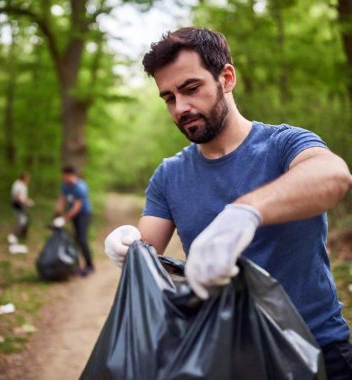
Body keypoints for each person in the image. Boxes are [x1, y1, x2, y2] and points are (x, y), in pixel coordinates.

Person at [104, 27, 352, 378]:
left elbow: (334, 176)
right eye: (169, 98)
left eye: (191, 89)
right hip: (225, 356)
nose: (181, 107)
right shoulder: (169, 175)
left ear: (227, 77)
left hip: (317, 348)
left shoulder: (284, 144)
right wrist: (127, 245)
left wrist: (245, 212)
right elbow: (148, 251)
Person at [53, 166, 95, 276]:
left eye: (64, 176)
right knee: (75, 240)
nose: (63, 178)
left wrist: (64, 218)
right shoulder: (65, 185)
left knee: (82, 239)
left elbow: (77, 207)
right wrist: (57, 213)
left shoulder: (80, 187)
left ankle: (90, 265)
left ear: (69, 175)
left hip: (84, 215)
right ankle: (75, 265)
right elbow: (62, 199)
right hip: (74, 215)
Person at [7, 172, 34, 253]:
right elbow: (18, 196)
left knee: (25, 220)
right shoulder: (18, 184)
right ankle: (14, 237)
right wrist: (27, 202)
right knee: (21, 221)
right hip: (18, 205)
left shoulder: (21, 184)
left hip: (20, 205)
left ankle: (22, 235)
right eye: (28, 178)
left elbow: (22, 195)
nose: (29, 180)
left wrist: (26, 201)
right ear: (24, 178)